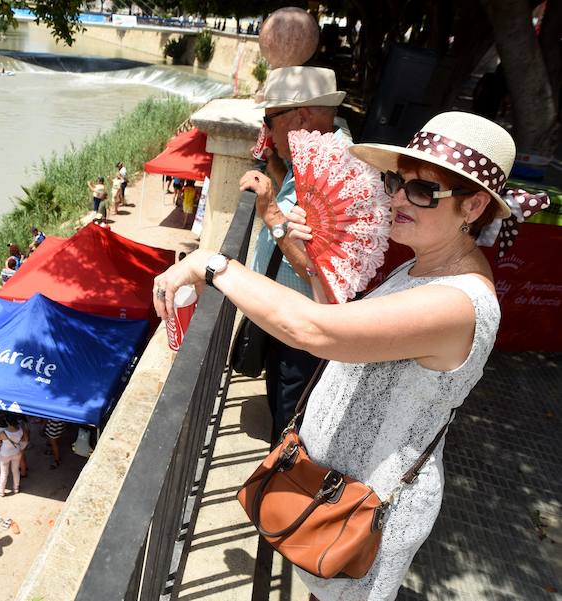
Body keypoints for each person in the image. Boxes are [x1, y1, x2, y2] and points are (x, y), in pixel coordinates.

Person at [152, 111, 509, 601]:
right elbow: (350, 331)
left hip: (369, 512)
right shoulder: (423, 267)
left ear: (473, 207)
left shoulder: (458, 301)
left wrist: (211, 265)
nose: (398, 198)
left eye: (423, 191)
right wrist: (302, 248)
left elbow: (313, 331)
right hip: (335, 491)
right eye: (397, 182)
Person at [248, 66, 350, 436]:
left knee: (291, 423)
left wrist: (270, 212)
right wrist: (276, 166)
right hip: (287, 319)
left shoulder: (335, 169)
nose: (266, 132)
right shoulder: (312, 155)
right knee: (281, 405)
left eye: (269, 120)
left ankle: (281, 487)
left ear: (301, 116)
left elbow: (318, 268)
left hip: (305, 331)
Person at [0, 415, 26, 497]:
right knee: (16, 470)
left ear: (7, 422)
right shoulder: (20, 430)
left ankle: (1, 491)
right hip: (16, 452)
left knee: (4, 473)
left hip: (4, 454)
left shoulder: (3, 432)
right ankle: (16, 488)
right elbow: (23, 439)